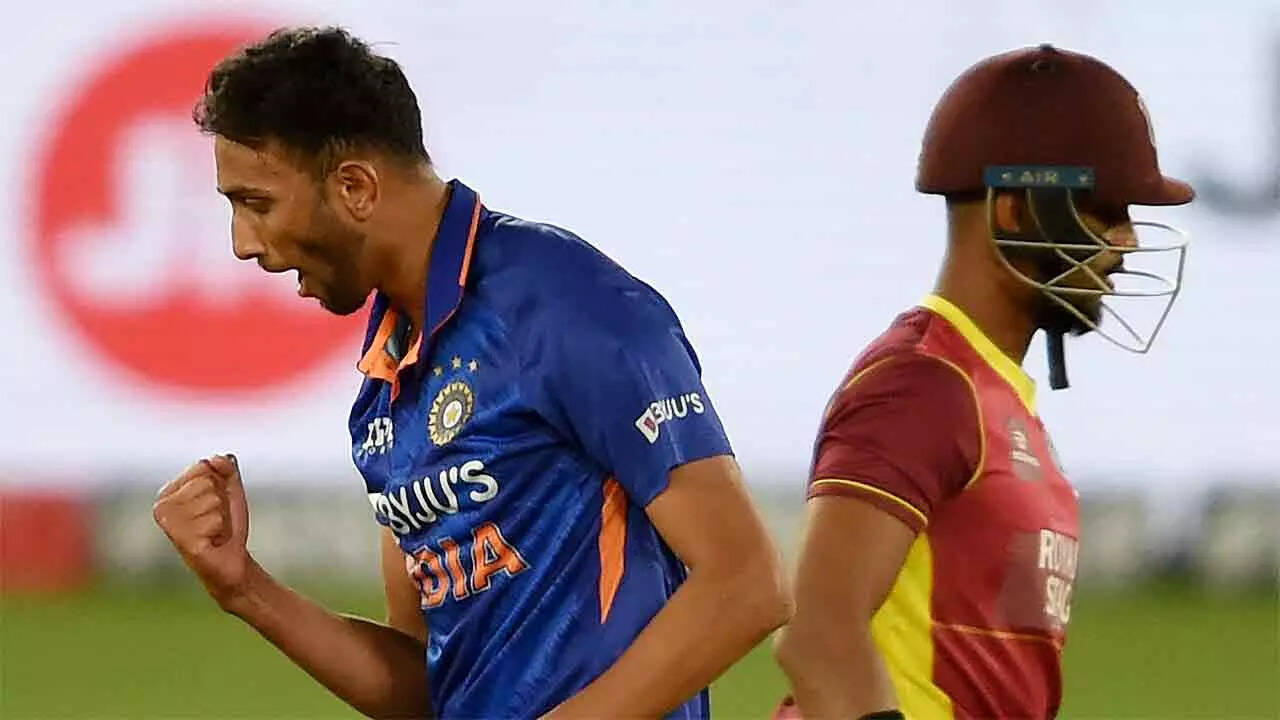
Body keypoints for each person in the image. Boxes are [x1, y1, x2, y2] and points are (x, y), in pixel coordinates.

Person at [152, 26, 790, 720]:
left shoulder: (564, 306)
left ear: (355, 187)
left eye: (256, 203)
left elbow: (746, 584)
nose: (242, 244)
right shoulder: (386, 377)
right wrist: (246, 589)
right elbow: (429, 687)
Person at [772, 44, 1193, 720]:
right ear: (1012, 212)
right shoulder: (922, 386)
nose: (1127, 243)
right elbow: (818, 637)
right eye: (1106, 210)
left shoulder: (994, 397)